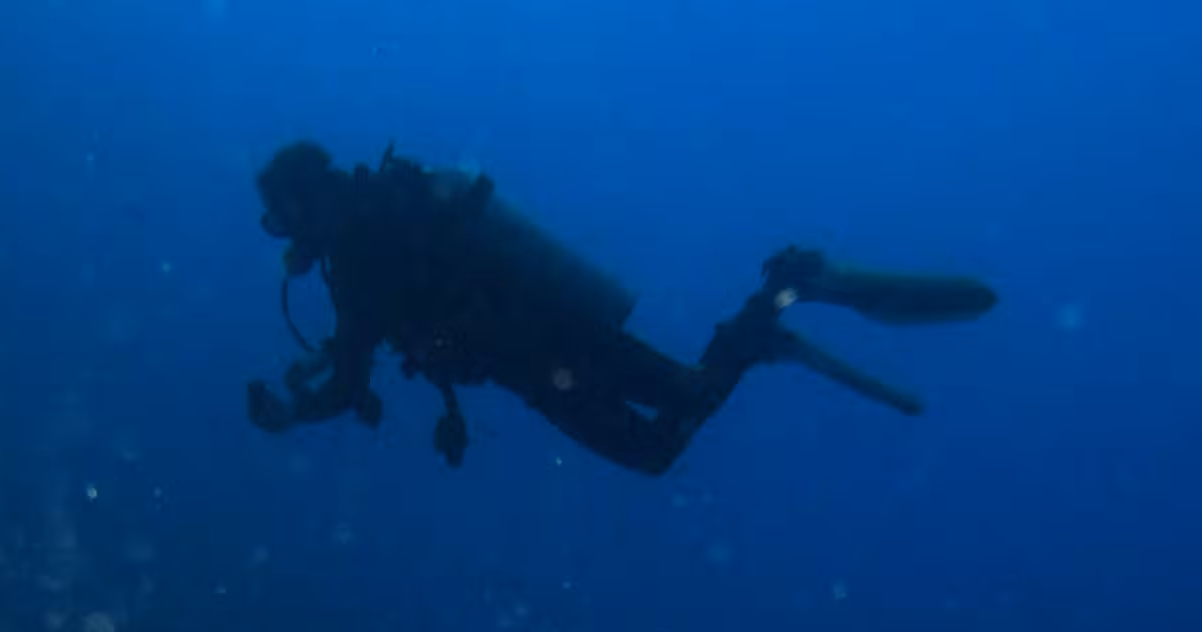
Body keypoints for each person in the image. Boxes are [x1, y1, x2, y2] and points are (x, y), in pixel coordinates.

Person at [246, 141, 998, 476]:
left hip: (541, 359)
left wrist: (294, 413)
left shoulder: (358, 263)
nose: (285, 236)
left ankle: (778, 296)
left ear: (306, 202)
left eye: (283, 217)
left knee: (657, 446)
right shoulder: (391, 209)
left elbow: (349, 378)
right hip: (553, 333)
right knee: (679, 409)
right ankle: (776, 304)